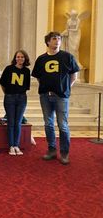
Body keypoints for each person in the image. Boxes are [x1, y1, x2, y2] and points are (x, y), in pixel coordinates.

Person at [32, 32, 79, 165]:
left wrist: (66, 89)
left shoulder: (67, 56)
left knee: (63, 125)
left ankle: (64, 153)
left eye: (59, 39)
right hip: (45, 96)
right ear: (48, 42)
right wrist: (47, 88)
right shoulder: (41, 59)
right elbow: (38, 76)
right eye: (54, 39)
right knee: (48, 124)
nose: (57, 41)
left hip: (61, 96)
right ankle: (51, 149)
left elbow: (74, 76)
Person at [0, 50, 31, 156]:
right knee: (11, 123)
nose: (20, 58)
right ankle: (11, 146)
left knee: (18, 123)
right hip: (10, 98)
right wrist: (9, 94)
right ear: (15, 58)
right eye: (18, 57)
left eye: (22, 57)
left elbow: (26, 87)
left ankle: (17, 145)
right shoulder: (9, 69)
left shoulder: (26, 71)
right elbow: (3, 84)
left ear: (25, 58)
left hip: (22, 98)